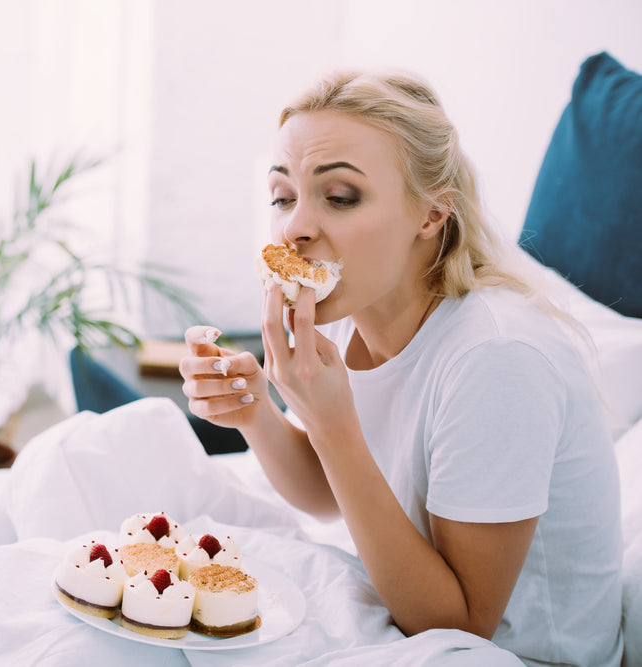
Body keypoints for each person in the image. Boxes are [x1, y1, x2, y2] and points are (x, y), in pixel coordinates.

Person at [179, 70, 622, 666]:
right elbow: (325, 494)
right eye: (284, 197)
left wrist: (334, 426)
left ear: (431, 215)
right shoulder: (346, 307)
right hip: (412, 615)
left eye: (339, 197)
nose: (295, 229)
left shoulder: (497, 356)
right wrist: (256, 411)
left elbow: (459, 625)